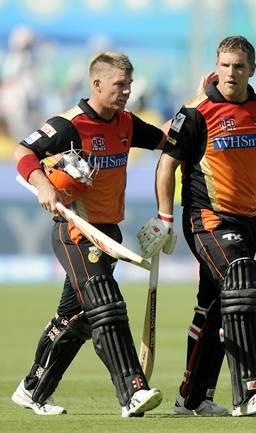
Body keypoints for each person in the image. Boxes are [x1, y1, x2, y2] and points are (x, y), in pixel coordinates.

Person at [137, 35, 256, 417]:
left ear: (252, 69)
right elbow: (166, 165)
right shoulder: (196, 112)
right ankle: (250, 391)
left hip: (247, 220)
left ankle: (191, 399)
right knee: (242, 279)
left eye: (238, 66)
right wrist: (164, 217)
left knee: (216, 306)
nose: (230, 73)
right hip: (206, 218)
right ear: (215, 65)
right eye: (224, 64)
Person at [11, 51, 167, 417]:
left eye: (129, 84)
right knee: (106, 304)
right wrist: (44, 186)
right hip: (75, 231)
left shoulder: (127, 123)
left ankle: (33, 389)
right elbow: (23, 152)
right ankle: (133, 390)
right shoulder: (68, 125)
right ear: (96, 84)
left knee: (76, 319)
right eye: (120, 84)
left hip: (109, 232)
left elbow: (170, 142)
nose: (127, 91)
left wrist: (164, 218)